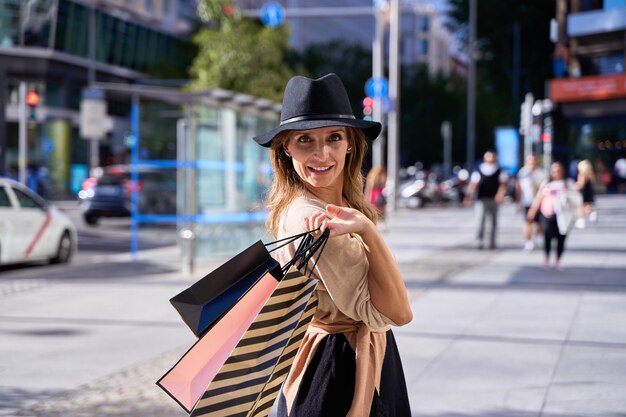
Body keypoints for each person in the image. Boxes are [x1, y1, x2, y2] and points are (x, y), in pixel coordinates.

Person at [252, 73, 413, 417]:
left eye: (334, 137)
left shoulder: (320, 208)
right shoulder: (313, 221)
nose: (321, 153)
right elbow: (396, 312)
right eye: (305, 139)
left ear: (350, 143)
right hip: (340, 370)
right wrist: (368, 232)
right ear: (286, 148)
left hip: (333, 360)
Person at [527, 162, 579, 271]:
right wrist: (532, 211)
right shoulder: (546, 183)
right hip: (547, 214)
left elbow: (577, 199)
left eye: (558, 171)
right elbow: (538, 198)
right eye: (554, 171)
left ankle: (558, 259)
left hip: (563, 216)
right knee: (547, 235)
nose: (556, 173)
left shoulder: (568, 183)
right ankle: (547, 258)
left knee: (561, 238)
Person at [463, 149, 508, 249]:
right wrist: (468, 197)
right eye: (488, 156)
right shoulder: (479, 170)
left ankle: (492, 242)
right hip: (481, 199)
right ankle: (479, 241)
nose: (491, 158)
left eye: (493, 156)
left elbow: (503, 185)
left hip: (494, 200)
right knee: (480, 221)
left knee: (494, 222)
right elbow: (473, 185)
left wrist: (500, 194)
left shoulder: (499, 170)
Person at [515, 155, 546, 251]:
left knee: (539, 222)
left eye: (533, 162)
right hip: (527, 201)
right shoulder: (523, 173)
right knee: (527, 221)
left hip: (540, 202)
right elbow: (518, 187)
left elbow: (544, 190)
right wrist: (518, 201)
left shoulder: (541, 174)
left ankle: (539, 237)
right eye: (529, 162)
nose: (531, 164)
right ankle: (529, 241)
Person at [575, 159, 597, 228]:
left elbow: (581, 184)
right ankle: (592, 213)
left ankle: (581, 220)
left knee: (580, 206)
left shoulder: (581, 174)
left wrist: (575, 186)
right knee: (587, 205)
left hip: (583, 192)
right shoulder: (590, 173)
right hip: (589, 191)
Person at [364, 165, 388, 229]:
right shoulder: (375, 178)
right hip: (376, 196)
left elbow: (368, 189)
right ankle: (378, 224)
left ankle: (379, 224)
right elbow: (369, 189)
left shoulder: (373, 177)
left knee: (379, 211)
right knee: (378, 211)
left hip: (377, 197)